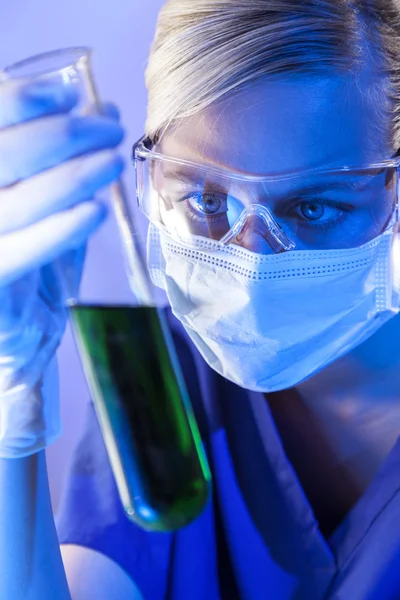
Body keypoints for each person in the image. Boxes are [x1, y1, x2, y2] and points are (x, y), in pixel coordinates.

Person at [2, 0, 400, 598]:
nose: (252, 264)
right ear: (153, 180)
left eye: (314, 207)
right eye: (208, 202)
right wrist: (11, 417)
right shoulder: (165, 373)